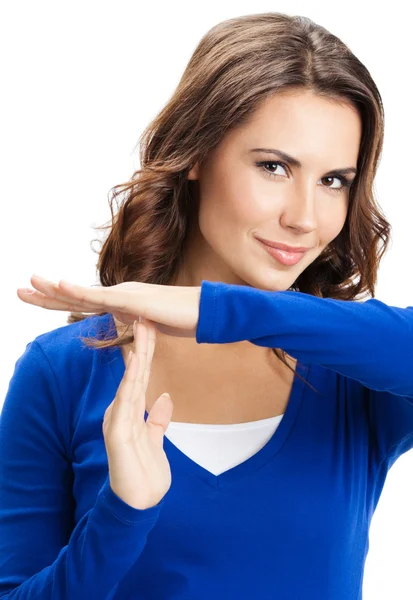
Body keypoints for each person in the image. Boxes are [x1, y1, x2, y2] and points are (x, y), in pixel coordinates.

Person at [1, 10, 412, 600]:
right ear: (197, 154)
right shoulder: (62, 372)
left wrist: (221, 312)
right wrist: (120, 518)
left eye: (334, 181)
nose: (304, 217)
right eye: (274, 167)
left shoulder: (355, 376)